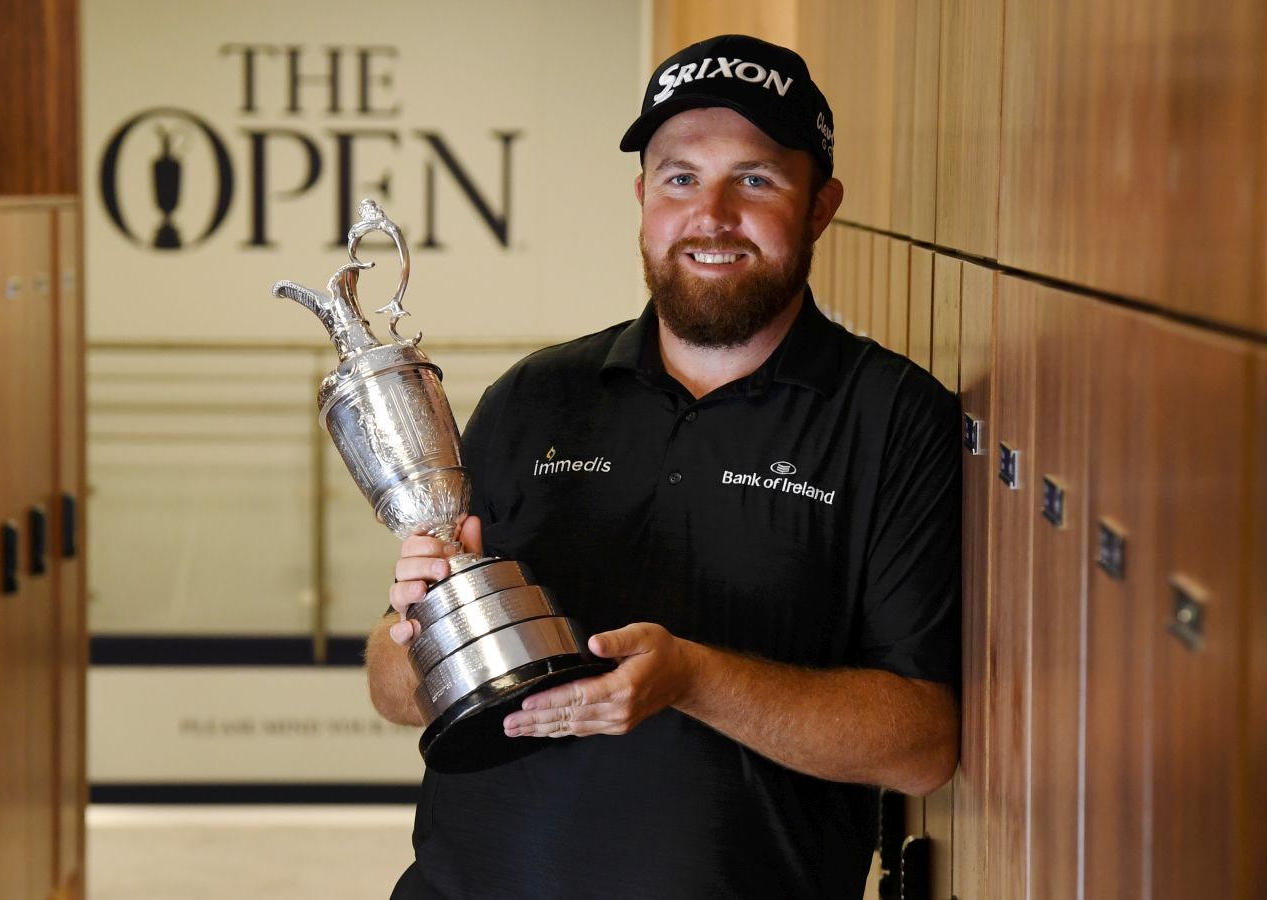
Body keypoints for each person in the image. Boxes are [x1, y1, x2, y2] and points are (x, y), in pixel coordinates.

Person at [364, 34, 960, 899]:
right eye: (680, 178)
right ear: (644, 196)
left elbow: (920, 746)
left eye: (755, 179)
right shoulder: (536, 397)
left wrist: (697, 678)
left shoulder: (893, 419)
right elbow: (393, 689)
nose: (710, 216)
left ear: (822, 204)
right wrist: (415, 625)